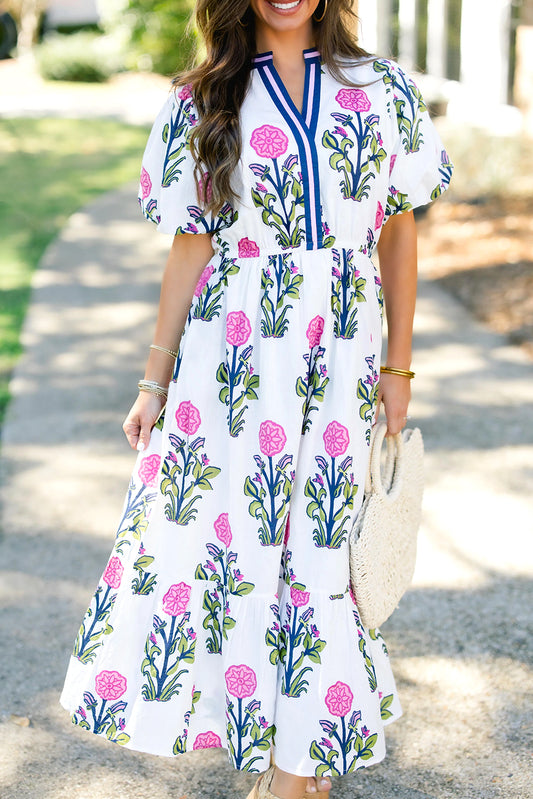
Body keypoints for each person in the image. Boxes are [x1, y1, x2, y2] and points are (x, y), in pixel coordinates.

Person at [60, 1, 453, 797]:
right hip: (231, 354)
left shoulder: (380, 88)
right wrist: (153, 380)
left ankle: (294, 767)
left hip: (342, 351)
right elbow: (191, 246)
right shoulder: (202, 97)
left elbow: (397, 228)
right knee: (232, 546)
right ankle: (290, 765)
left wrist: (399, 368)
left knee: (321, 551)